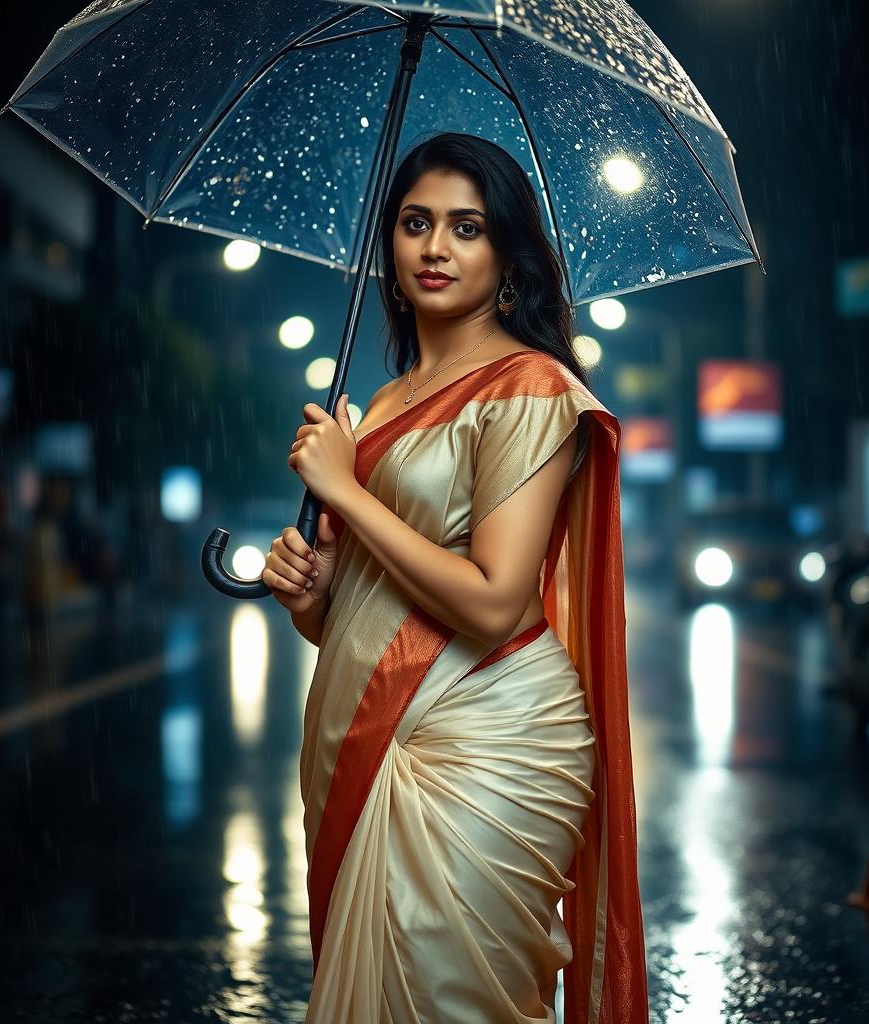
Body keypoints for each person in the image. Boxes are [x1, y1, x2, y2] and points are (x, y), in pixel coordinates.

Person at [264, 132, 648, 1023]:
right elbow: (371, 617)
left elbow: (492, 600)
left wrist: (344, 495)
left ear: (506, 255)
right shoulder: (386, 401)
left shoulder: (531, 387)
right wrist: (316, 597)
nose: (436, 247)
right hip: (370, 723)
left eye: (466, 227)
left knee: (451, 995)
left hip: (491, 743)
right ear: (389, 251)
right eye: (415, 223)